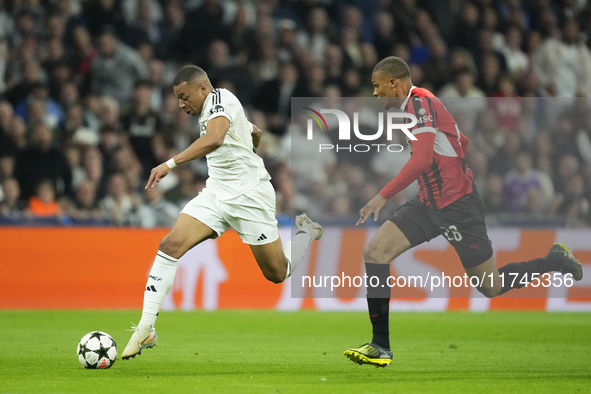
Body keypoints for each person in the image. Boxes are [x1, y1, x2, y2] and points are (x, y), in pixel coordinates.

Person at [343, 57, 583, 368]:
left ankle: (554, 260)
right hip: (428, 203)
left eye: (377, 86)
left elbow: (424, 159)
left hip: (459, 207)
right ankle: (380, 345)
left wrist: (382, 195)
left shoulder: (420, 103)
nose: (374, 94)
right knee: (375, 252)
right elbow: (460, 140)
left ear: (394, 83)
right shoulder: (414, 108)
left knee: (490, 287)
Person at [122, 65, 322, 360]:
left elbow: (215, 138)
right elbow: (256, 131)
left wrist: (170, 164)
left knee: (277, 272)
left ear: (202, 88)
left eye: (183, 96)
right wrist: (249, 140)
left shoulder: (220, 98)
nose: (180, 104)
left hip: (250, 197)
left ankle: (306, 233)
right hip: (216, 194)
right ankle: (145, 328)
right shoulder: (215, 109)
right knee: (169, 245)